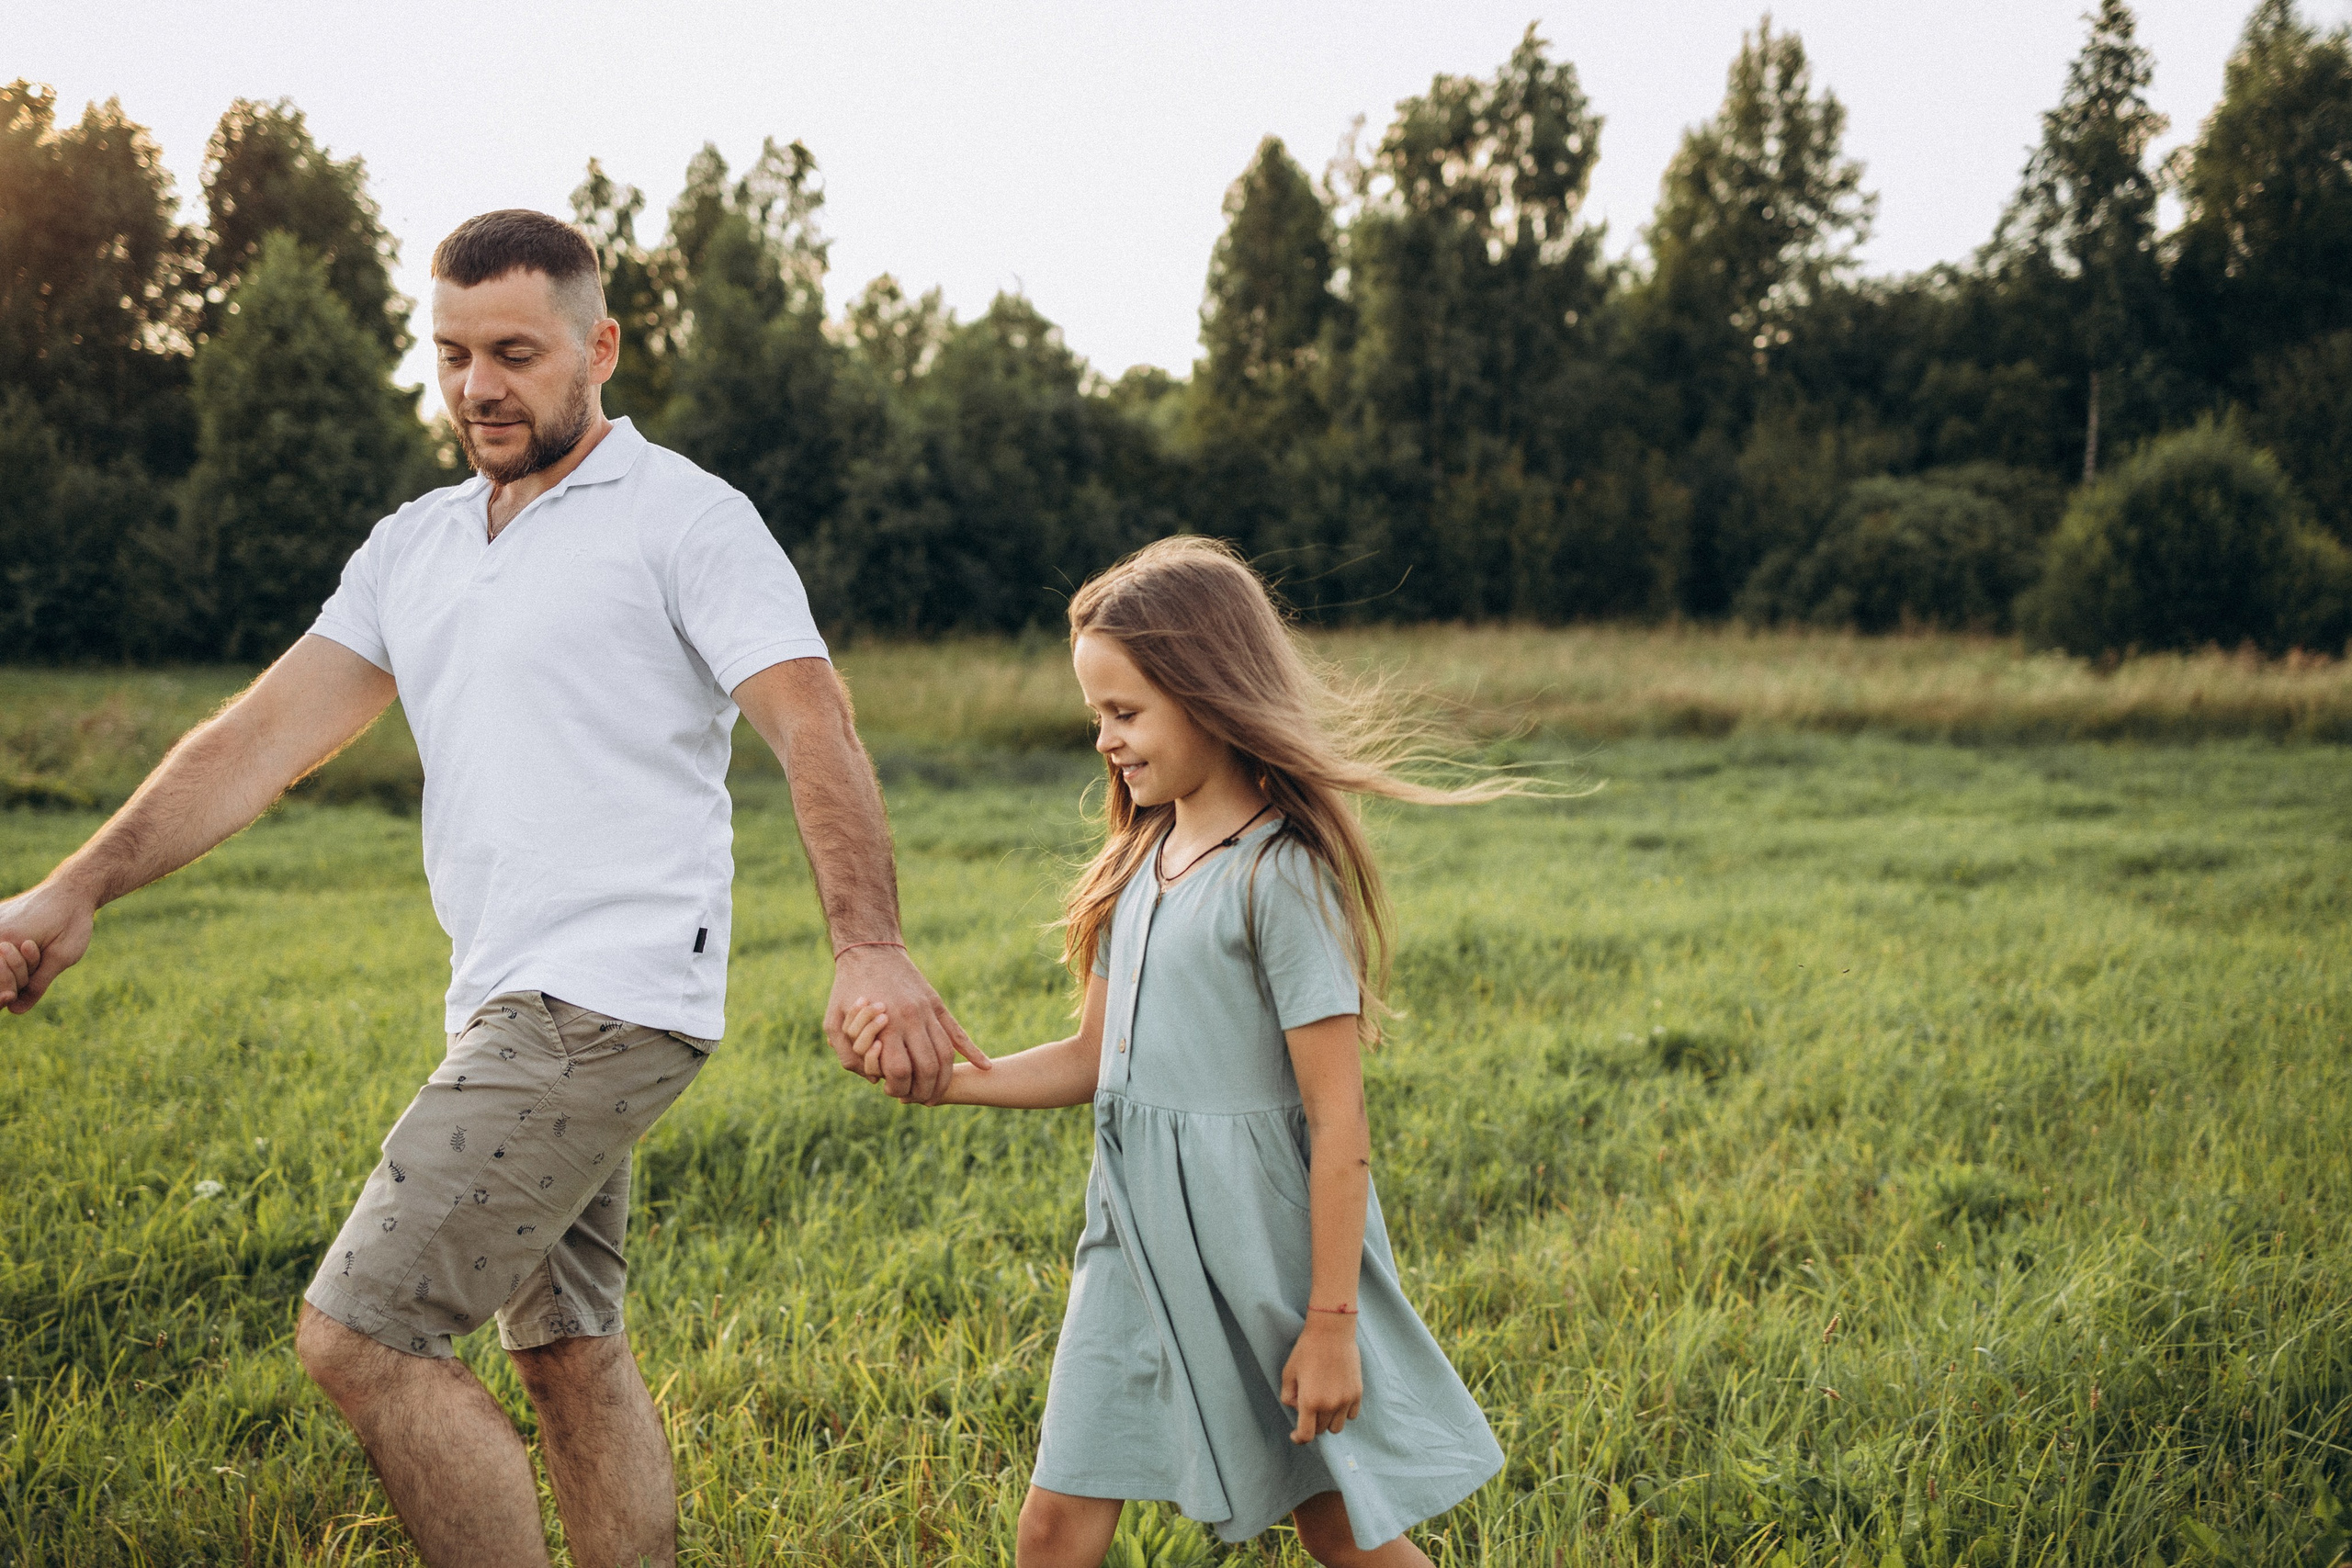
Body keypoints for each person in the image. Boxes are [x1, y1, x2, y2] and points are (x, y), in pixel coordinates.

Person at [0, 209, 986, 1568]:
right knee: (569, 1344)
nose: (478, 386)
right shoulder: (415, 543)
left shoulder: (686, 517)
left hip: (605, 995)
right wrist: (75, 885)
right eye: (453, 352)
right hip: (503, 996)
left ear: (603, 345)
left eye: (515, 351)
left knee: (361, 1334)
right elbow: (257, 739)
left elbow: (814, 723)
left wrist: (867, 941)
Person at [842, 536, 1510, 1567]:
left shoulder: (1278, 877)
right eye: (1094, 717)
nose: (1105, 740)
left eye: (1125, 713)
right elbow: (1091, 1057)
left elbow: (1338, 1121)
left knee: (1342, 1532)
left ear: (1210, 695)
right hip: (1131, 1241)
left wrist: (1330, 1322)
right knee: (1053, 1527)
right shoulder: (1140, 858)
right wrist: (948, 1084)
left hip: (1263, 1258)